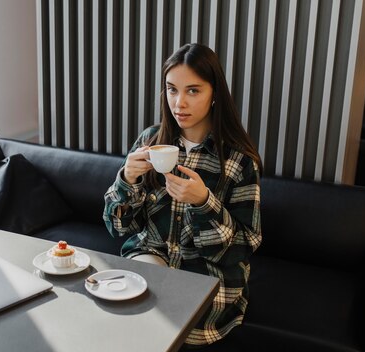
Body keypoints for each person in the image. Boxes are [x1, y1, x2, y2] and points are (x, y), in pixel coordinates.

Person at [103, 43, 262, 350]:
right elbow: (118, 229)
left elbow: (243, 247)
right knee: (138, 305)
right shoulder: (150, 141)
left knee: (156, 318)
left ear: (214, 93)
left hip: (208, 273)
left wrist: (204, 202)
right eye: (171, 90)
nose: (179, 103)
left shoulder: (238, 160)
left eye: (193, 91)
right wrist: (127, 179)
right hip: (152, 259)